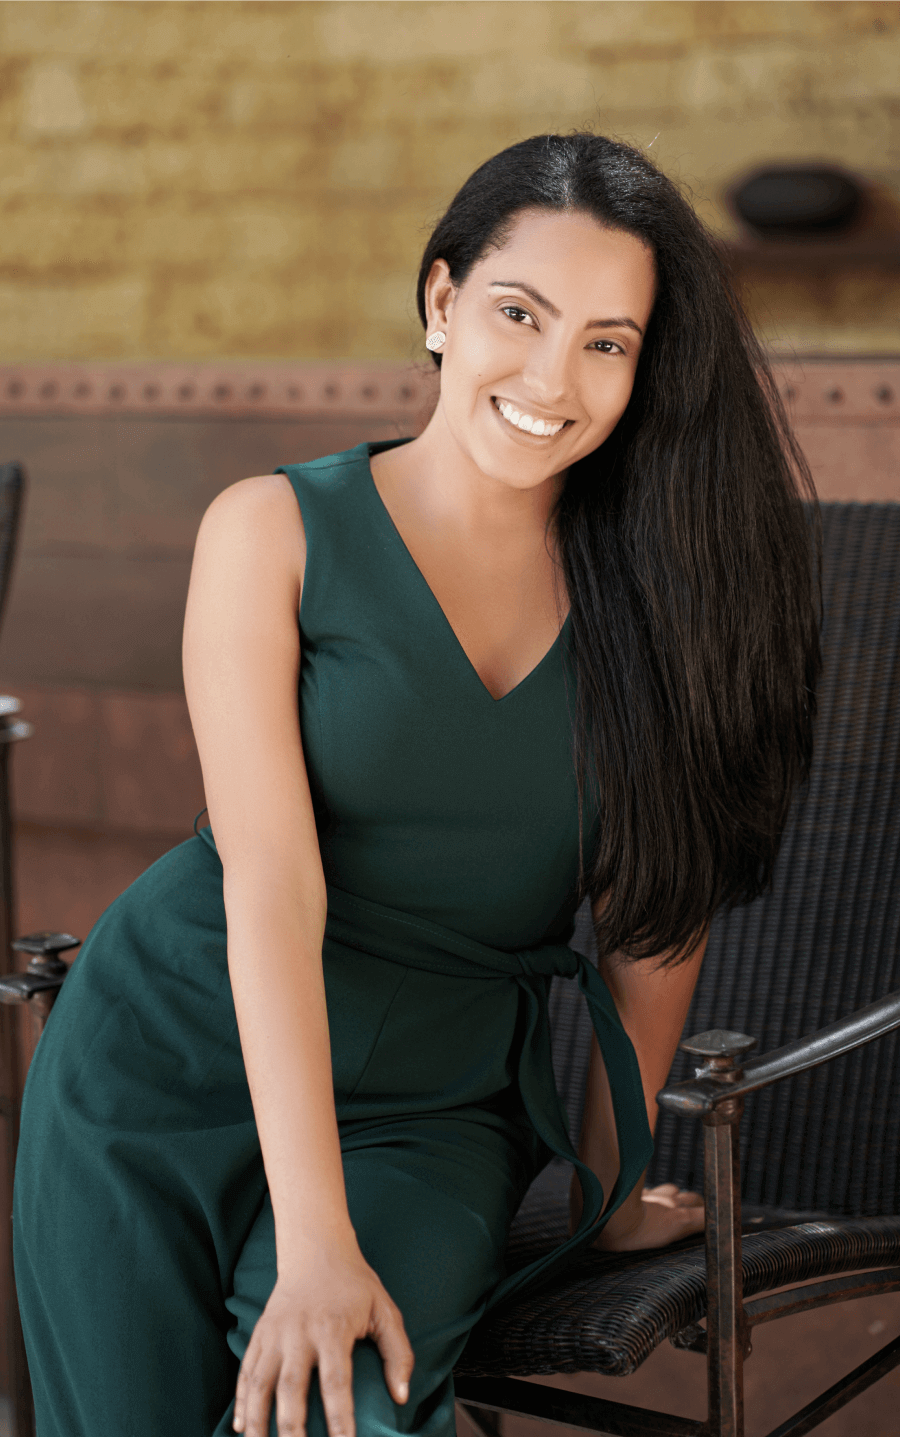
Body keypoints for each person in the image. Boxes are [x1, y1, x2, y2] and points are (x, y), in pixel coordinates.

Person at [12, 132, 819, 1437]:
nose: (554, 378)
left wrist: (613, 1186)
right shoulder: (268, 532)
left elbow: (654, 923)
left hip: (431, 1113)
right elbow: (271, 887)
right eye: (520, 313)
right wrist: (310, 1238)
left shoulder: (665, 601)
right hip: (161, 1066)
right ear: (441, 302)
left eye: (607, 342)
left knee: (345, 1415)